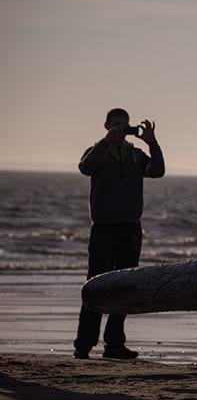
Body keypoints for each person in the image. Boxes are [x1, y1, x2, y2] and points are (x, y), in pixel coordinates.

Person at [73, 108, 165, 359]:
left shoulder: (135, 156)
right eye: (116, 125)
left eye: (125, 125)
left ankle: (114, 344)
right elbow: (85, 167)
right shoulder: (97, 152)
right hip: (103, 227)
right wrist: (106, 142)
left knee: (124, 287)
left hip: (130, 226)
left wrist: (152, 143)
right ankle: (83, 344)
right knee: (96, 285)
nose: (121, 129)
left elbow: (157, 171)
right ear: (106, 126)